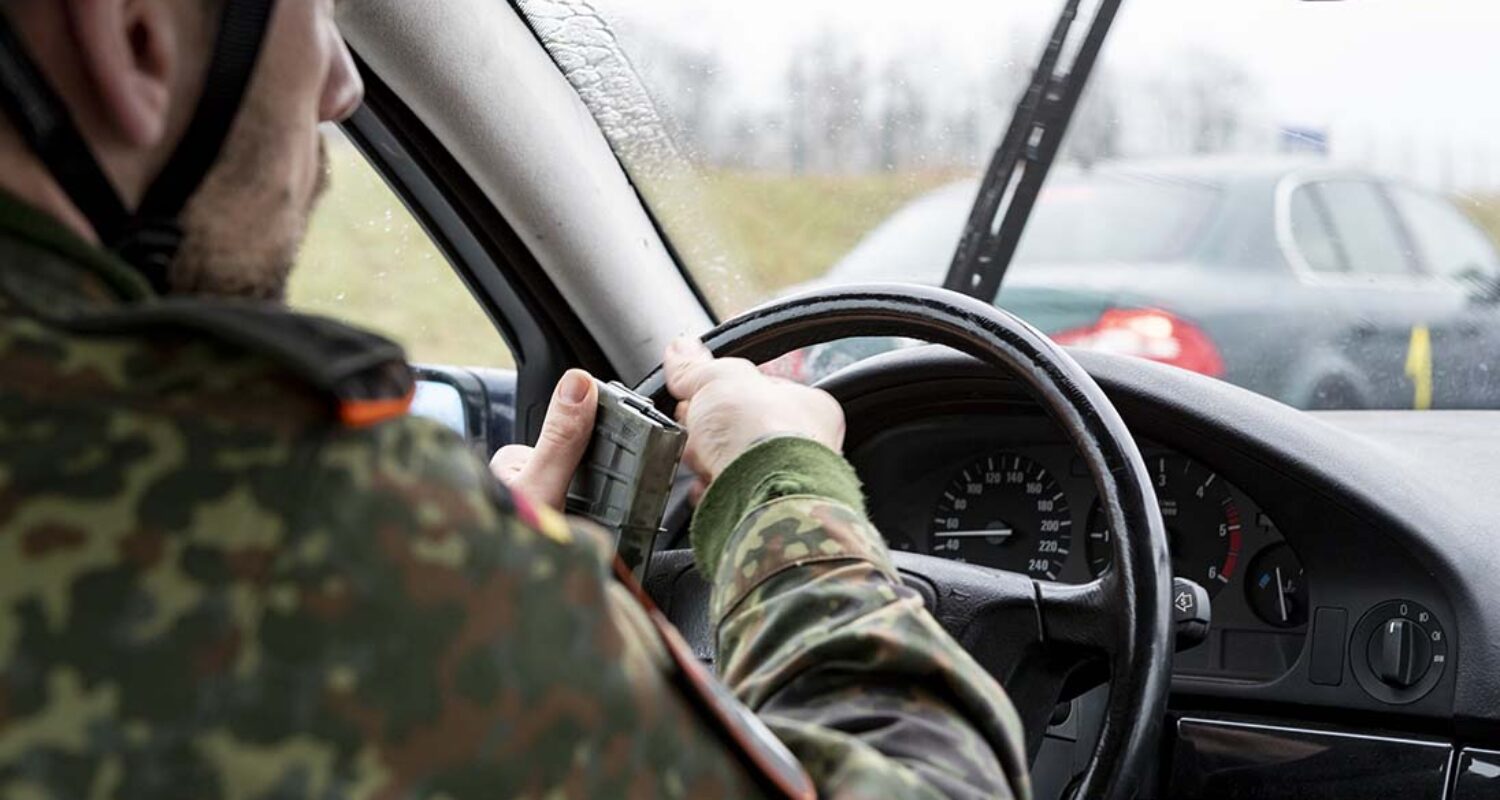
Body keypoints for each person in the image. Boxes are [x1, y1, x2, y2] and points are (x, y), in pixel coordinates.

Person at [0, 1, 1030, 798]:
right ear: (129, 31)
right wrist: (785, 488)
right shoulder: (298, 535)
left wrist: (542, 608)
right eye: (313, 15)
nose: (341, 84)